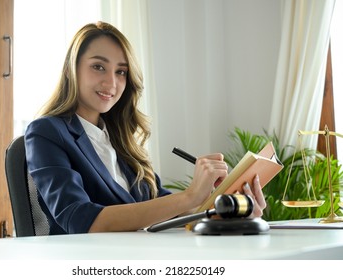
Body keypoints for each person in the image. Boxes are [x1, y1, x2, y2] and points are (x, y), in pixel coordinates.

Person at [25, 21, 266, 234]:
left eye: (121, 72)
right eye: (98, 66)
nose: (111, 82)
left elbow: (161, 206)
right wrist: (190, 195)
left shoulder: (119, 139)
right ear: (72, 69)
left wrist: (229, 208)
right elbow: (80, 219)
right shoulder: (46, 132)